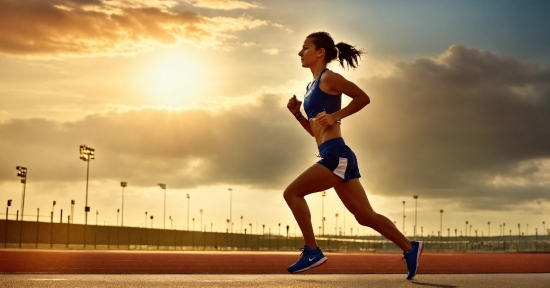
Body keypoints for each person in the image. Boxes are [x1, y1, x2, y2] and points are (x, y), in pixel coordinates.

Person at [284, 32, 423, 279]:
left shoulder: (330, 78)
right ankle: (410, 248)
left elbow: (363, 98)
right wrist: (297, 115)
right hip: (332, 152)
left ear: (320, 52)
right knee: (364, 216)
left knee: (292, 193)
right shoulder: (311, 87)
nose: (300, 52)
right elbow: (315, 132)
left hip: (337, 155)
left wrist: (337, 115)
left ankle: (313, 251)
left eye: (305, 48)